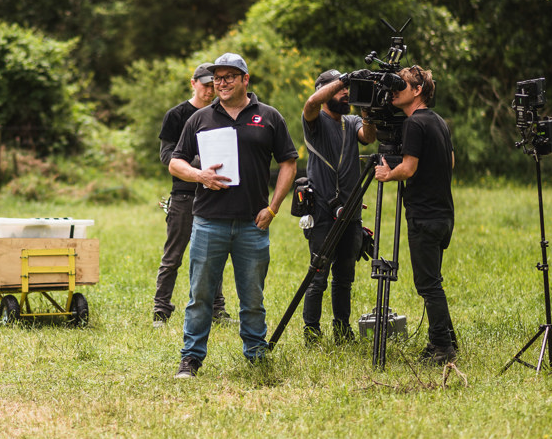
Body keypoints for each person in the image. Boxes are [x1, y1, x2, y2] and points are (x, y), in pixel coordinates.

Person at [168, 52, 299, 378]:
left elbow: (289, 162)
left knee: (252, 296)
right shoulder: (199, 118)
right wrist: (200, 176)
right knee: (200, 295)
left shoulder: (269, 117)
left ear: (245, 79)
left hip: (253, 224)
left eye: (229, 77)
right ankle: (191, 358)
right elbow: (175, 161)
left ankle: (256, 355)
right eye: (217, 78)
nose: (221, 83)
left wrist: (273, 207)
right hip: (208, 221)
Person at [374, 65, 458, 364]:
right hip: (444, 215)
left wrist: (387, 173)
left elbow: (408, 169)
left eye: (402, 84)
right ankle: (449, 340)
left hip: (424, 216)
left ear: (418, 90)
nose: (395, 89)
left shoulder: (413, 124)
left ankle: (441, 348)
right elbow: (449, 160)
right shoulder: (437, 121)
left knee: (427, 284)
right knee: (433, 280)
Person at [300, 69, 376, 344]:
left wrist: (366, 107)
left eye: (347, 90)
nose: (345, 93)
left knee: (344, 276)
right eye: (339, 90)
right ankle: (312, 331)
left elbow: (368, 137)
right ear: (325, 92)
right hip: (322, 211)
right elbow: (309, 104)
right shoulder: (315, 120)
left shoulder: (351, 120)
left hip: (351, 211)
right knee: (318, 276)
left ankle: (342, 330)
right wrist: (343, 80)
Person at [153, 63, 230, 328]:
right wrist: (202, 164)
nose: (211, 90)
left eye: (214, 85)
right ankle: (160, 311)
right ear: (193, 83)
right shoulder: (177, 115)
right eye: (206, 85)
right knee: (173, 256)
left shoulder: (221, 114)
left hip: (214, 195)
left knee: (214, 255)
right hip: (184, 196)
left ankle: (218, 310)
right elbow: (167, 156)